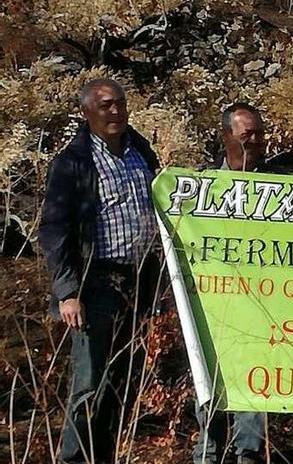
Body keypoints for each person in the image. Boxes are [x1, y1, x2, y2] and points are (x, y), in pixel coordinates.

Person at [39, 78, 162, 464]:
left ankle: (103, 455)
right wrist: (67, 292)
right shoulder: (74, 161)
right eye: (106, 105)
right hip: (96, 283)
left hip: (140, 280)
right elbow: (55, 228)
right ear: (86, 112)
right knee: (89, 382)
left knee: (122, 380)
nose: (116, 111)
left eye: (120, 103)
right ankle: (74, 458)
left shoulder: (140, 150)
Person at [192, 103, 270, 464]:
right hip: (214, 310)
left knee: (253, 392)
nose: (255, 142)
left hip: (263, 309)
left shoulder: (281, 188)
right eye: (245, 135)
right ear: (226, 137)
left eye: (259, 134)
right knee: (209, 392)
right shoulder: (202, 190)